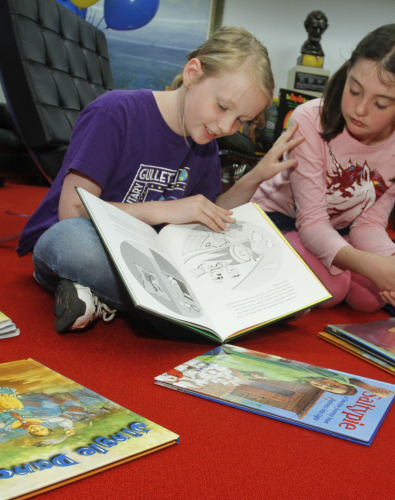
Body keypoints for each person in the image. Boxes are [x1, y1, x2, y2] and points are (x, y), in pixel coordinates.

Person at [16, 27, 304, 334]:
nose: (225, 126)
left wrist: (258, 175)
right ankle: (202, 316)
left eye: (240, 121)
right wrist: (167, 210)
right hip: (79, 241)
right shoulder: (115, 112)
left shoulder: (205, 144)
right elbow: (72, 210)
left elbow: (208, 213)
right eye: (222, 107)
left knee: (272, 277)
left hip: (146, 258)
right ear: (193, 73)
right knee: (72, 241)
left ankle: (106, 301)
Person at [251, 24, 395, 313]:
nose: (360, 109)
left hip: (337, 228)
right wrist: (371, 265)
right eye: (354, 90)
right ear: (348, 71)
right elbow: (312, 222)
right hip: (276, 218)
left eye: (380, 103)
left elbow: (369, 223)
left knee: (370, 300)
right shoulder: (310, 119)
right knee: (335, 288)